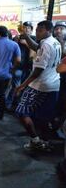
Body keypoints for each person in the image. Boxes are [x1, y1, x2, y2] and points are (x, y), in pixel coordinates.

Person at [15, 20, 62, 151]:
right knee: (43, 117)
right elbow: (36, 47)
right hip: (53, 85)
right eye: (36, 30)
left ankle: (35, 140)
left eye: (40, 30)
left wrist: (22, 85)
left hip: (40, 85)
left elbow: (37, 71)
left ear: (48, 30)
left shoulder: (46, 45)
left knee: (21, 112)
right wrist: (27, 37)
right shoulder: (54, 42)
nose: (37, 32)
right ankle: (45, 142)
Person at [7, 21, 36, 111]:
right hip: (18, 67)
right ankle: (9, 104)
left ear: (31, 30)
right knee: (16, 87)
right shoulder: (17, 38)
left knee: (23, 88)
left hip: (28, 67)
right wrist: (16, 41)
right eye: (25, 27)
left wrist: (26, 43)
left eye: (28, 28)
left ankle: (16, 105)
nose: (26, 30)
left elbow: (35, 51)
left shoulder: (33, 39)